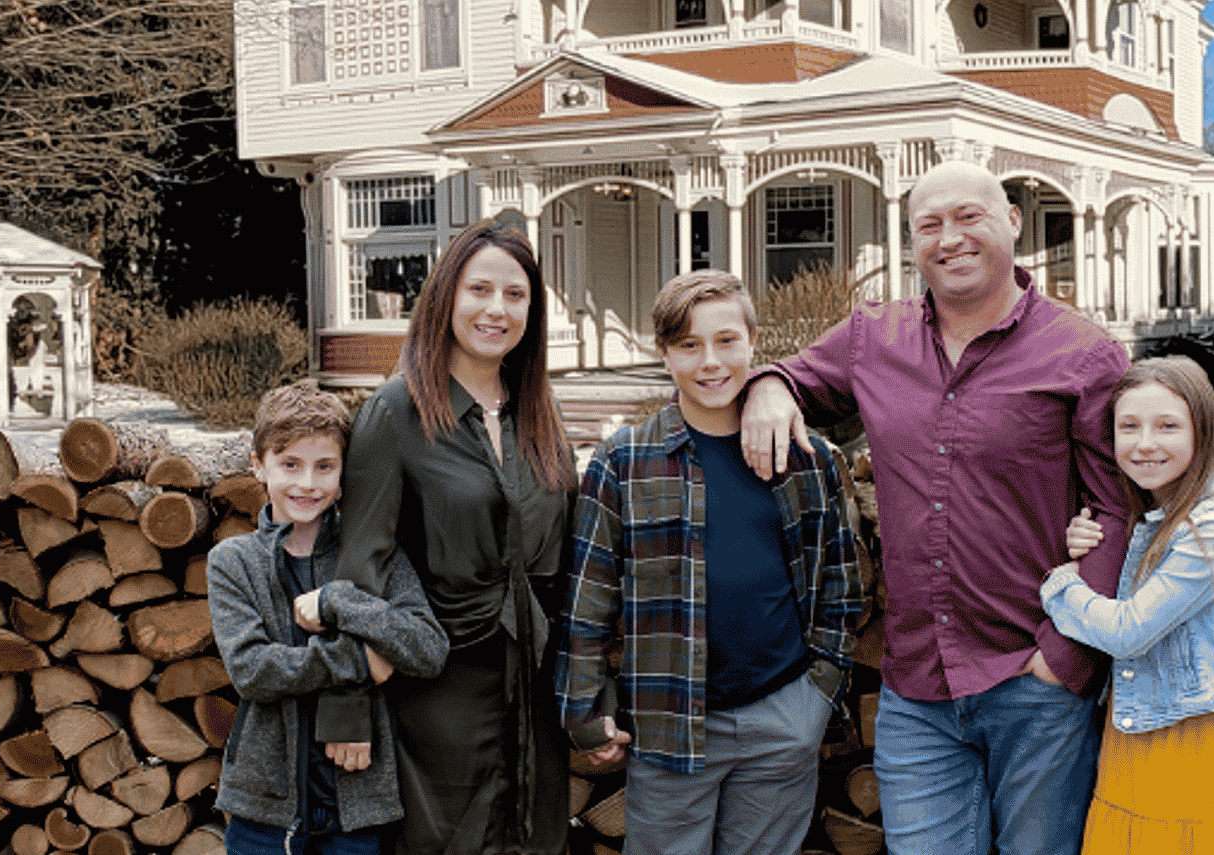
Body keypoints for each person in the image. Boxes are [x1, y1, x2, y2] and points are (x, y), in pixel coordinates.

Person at [738, 159, 1133, 855]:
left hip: (1035, 680)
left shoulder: (1083, 353)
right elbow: (793, 375)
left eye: (968, 217)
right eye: (929, 225)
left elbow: (1116, 505)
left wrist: (1064, 656)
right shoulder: (872, 337)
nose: (949, 238)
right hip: (917, 688)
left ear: (1011, 222)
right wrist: (770, 386)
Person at [556, 270, 866, 855]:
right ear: (664, 354)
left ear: (753, 340)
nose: (710, 362)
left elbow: (841, 586)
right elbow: (588, 599)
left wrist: (817, 695)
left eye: (726, 341)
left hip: (782, 718)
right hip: (671, 726)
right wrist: (582, 708)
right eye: (689, 345)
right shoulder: (624, 463)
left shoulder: (806, 457)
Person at [336, 219, 580, 855]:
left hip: (535, 691)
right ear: (446, 297)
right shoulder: (396, 412)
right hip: (436, 699)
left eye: (516, 295)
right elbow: (360, 566)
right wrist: (347, 709)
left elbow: (568, 567)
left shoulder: (540, 415)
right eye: (479, 290)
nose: (496, 309)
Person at [1042, 356, 1214, 854]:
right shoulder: (1159, 516)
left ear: (1204, 432)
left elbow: (1129, 631)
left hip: (1205, 741)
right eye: (1128, 426)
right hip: (1140, 734)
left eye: (1167, 426)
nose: (1145, 443)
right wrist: (1091, 543)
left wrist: (1062, 585)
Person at [209, 380, 449, 855]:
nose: (307, 484)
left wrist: (341, 600)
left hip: (357, 808)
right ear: (259, 465)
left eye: (325, 467)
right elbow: (253, 670)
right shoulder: (233, 562)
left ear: (344, 473)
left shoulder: (374, 555)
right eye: (290, 465)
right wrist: (361, 660)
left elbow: (428, 646)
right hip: (264, 811)